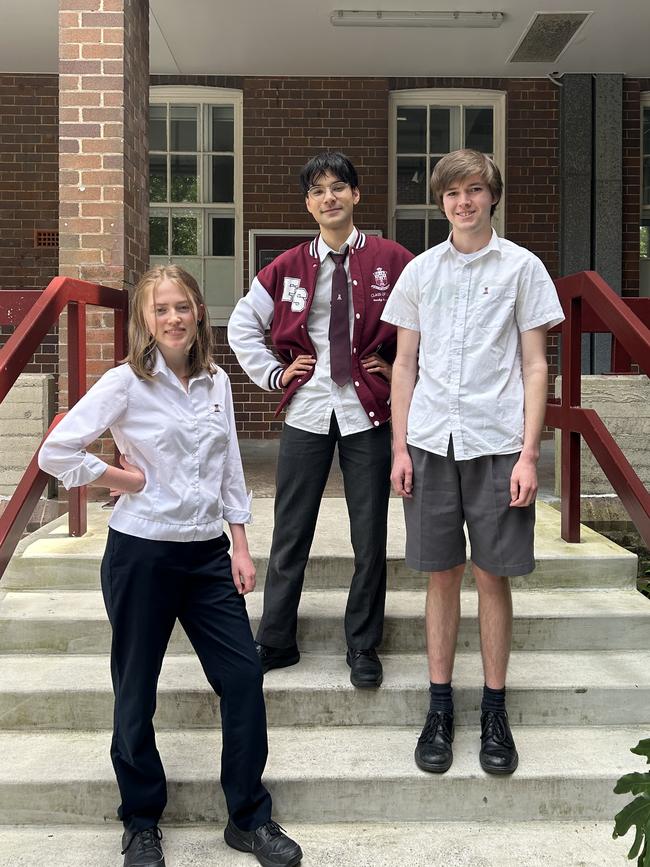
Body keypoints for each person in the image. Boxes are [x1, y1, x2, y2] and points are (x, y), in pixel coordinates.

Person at [38, 265, 302, 867]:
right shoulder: (125, 383)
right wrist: (122, 477)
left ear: (197, 311)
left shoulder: (216, 382)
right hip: (143, 553)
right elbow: (56, 449)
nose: (174, 318)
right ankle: (140, 821)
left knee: (241, 680)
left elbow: (230, 466)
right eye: (161, 310)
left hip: (208, 554)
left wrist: (239, 542)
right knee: (136, 690)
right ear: (146, 321)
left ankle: (248, 817)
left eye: (182, 306)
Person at [382, 149, 564, 776]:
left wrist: (529, 453)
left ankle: (493, 707)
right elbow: (403, 365)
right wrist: (400, 447)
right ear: (441, 203)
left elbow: (537, 365)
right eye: (453, 193)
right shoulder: (420, 272)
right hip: (432, 442)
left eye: (475, 190)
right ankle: (439, 707)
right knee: (439, 575)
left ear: (493, 196)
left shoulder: (523, 268)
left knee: (492, 575)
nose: (464, 202)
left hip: (495, 443)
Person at [228, 152, 412, 688]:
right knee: (291, 528)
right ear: (308, 203)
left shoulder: (393, 259)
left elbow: (429, 320)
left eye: (338, 188)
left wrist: (403, 364)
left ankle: (362, 643)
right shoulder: (285, 267)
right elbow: (244, 325)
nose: (328, 198)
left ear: (356, 195)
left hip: (368, 408)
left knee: (369, 531)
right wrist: (274, 374)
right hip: (309, 408)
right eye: (317, 191)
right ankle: (277, 638)